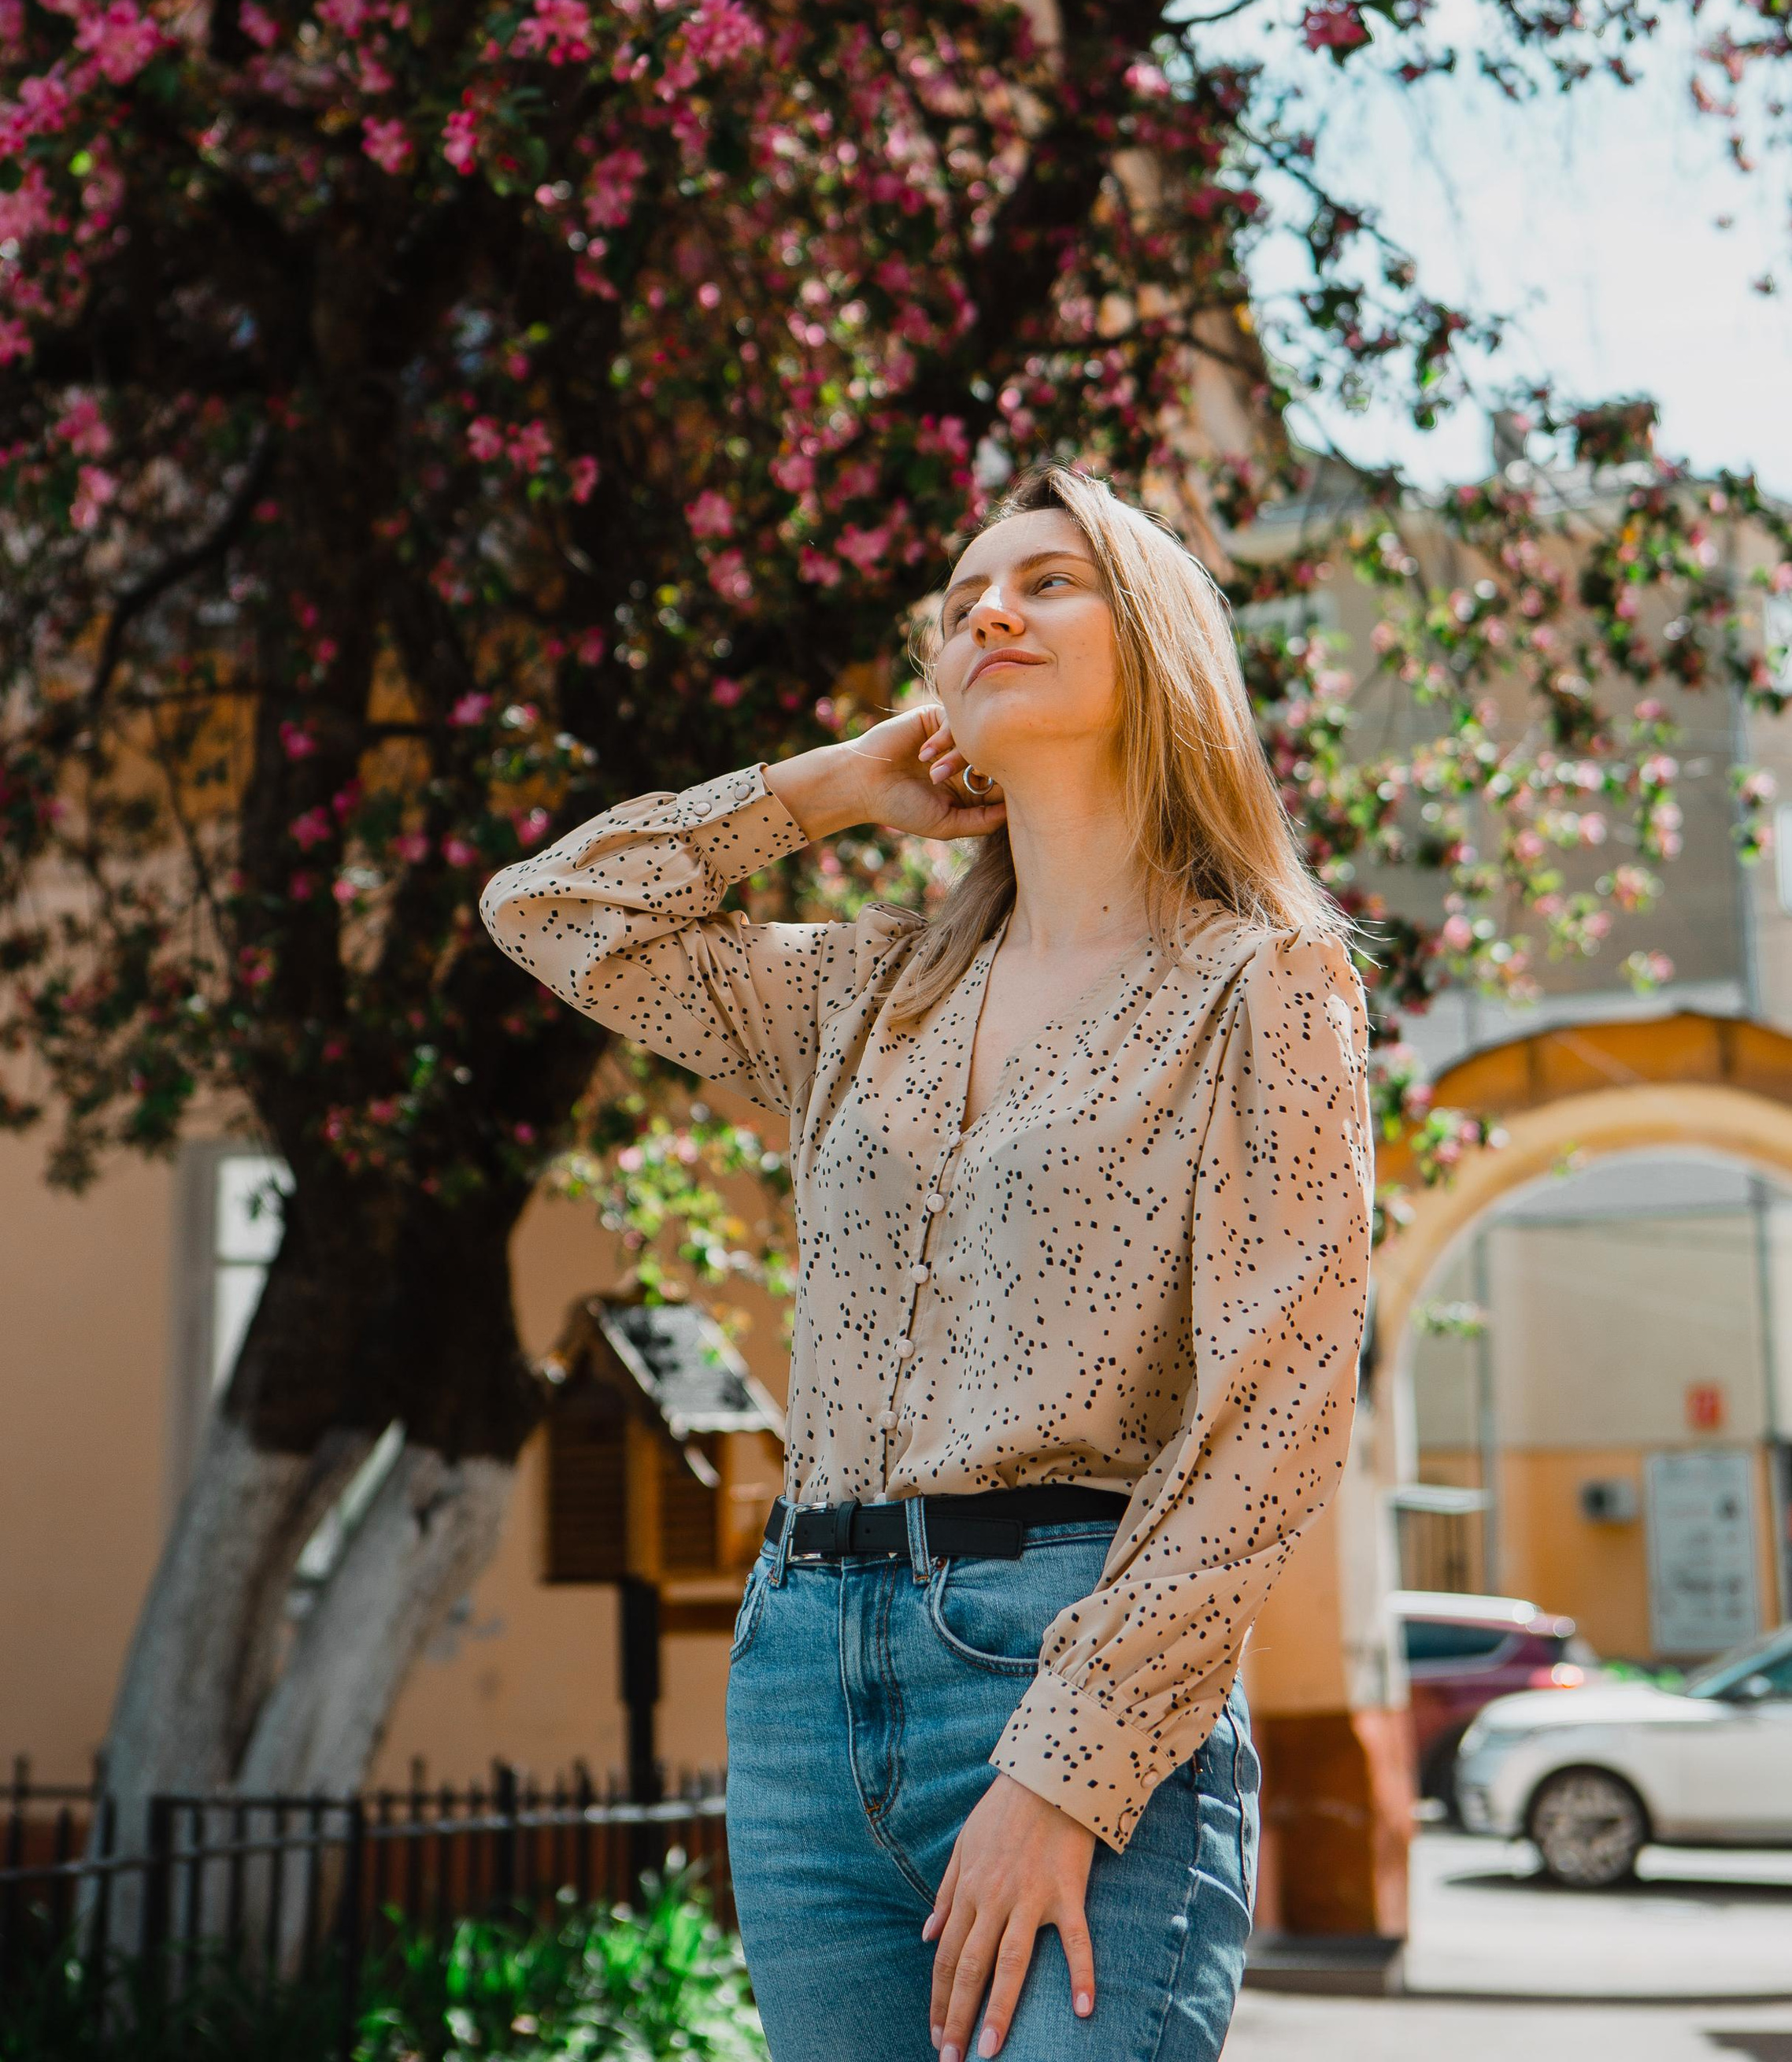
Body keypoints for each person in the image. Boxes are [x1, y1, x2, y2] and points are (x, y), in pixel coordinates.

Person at [480, 464, 1374, 2062]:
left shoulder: (1264, 986)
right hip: (804, 1681)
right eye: (960, 597)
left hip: (1067, 1661)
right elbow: (548, 914)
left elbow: (1276, 1413)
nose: (986, 610)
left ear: (1156, 641)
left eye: (1047, 580)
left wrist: (1064, 1770)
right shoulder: (861, 991)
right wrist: (828, 788)